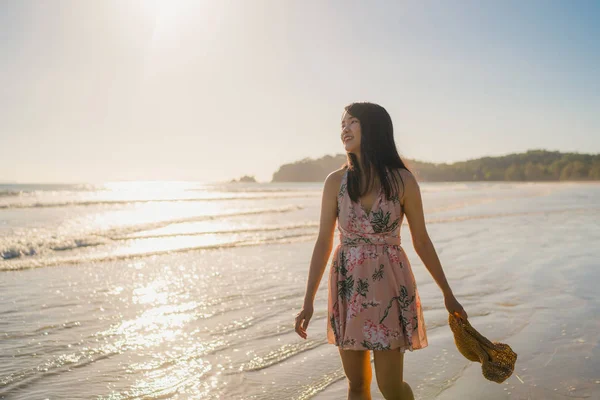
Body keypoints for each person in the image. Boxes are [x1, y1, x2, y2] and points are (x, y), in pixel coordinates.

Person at [294, 102, 468, 400]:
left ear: (373, 128)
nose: (344, 129)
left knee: (390, 388)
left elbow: (421, 240)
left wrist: (447, 293)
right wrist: (308, 300)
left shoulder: (403, 181)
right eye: (342, 124)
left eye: (353, 122)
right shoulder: (335, 182)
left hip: (389, 285)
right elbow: (323, 241)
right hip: (348, 286)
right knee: (357, 385)